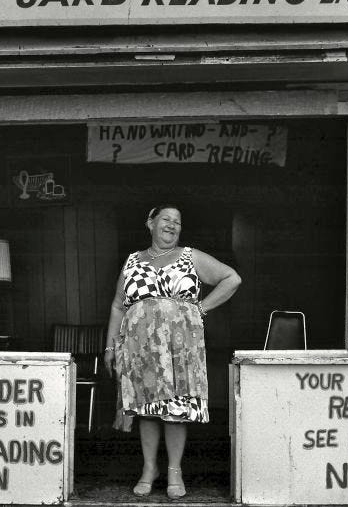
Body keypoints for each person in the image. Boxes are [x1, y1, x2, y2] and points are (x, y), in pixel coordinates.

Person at [104, 204, 241, 499]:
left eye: (177, 222)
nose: (172, 225)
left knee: (176, 410)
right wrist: (110, 346)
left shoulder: (190, 257)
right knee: (149, 411)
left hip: (180, 348)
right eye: (166, 219)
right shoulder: (132, 261)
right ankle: (150, 468)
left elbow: (232, 278)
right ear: (150, 223)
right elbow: (118, 306)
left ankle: (175, 471)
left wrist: (201, 309)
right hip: (140, 348)